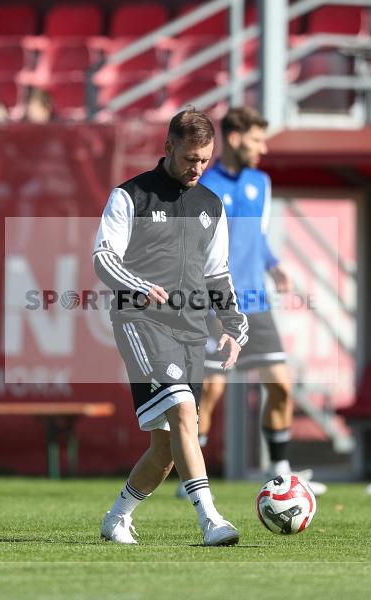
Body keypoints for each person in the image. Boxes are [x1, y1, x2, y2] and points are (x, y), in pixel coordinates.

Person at [93, 108, 248, 546]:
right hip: (140, 321)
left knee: (166, 450)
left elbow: (218, 275)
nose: (197, 168)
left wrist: (234, 325)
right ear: (168, 148)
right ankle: (210, 520)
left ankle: (117, 517)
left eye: (205, 159)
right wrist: (140, 286)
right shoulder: (130, 196)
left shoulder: (211, 205)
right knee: (183, 412)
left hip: (191, 330)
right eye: (190, 158)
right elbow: (104, 257)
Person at [189, 106, 323, 493]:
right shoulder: (204, 187)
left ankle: (279, 470)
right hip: (218, 305)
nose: (263, 149)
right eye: (256, 140)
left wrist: (275, 266)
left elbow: (259, 237)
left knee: (280, 384)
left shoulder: (261, 183)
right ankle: (193, 475)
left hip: (256, 302)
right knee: (211, 391)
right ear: (233, 138)